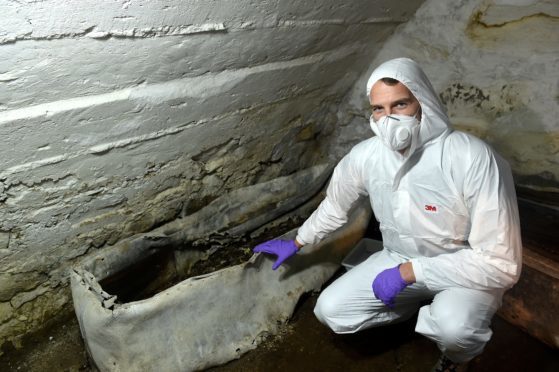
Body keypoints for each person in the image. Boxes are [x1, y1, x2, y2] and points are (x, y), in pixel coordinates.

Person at [253, 58, 522, 371]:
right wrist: (298, 241)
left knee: (455, 329)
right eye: (378, 109)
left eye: (400, 104)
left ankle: (456, 358)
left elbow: (501, 263)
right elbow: (335, 206)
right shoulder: (366, 156)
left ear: (423, 101)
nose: (388, 118)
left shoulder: (470, 157)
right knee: (330, 310)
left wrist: (410, 273)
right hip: (397, 256)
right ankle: (408, 306)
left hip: (460, 267)